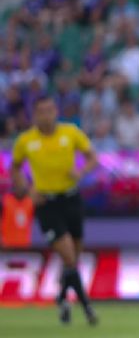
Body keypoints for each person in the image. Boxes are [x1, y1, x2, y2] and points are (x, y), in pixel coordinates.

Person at [11, 96, 99, 325]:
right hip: (46, 203)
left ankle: (62, 298)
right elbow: (16, 168)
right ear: (34, 115)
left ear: (56, 112)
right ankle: (87, 307)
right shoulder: (26, 141)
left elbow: (92, 158)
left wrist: (80, 173)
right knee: (69, 255)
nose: (46, 116)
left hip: (71, 198)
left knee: (73, 258)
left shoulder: (70, 133)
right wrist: (27, 189)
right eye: (41, 111)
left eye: (50, 111)